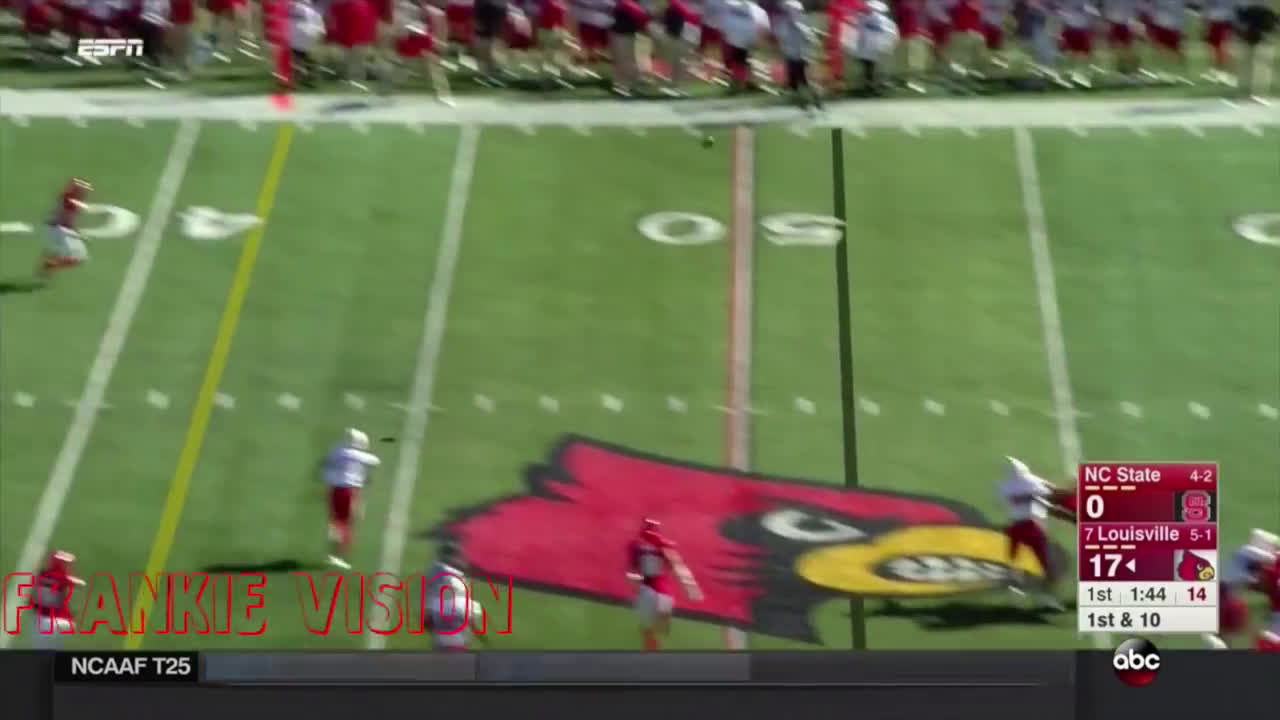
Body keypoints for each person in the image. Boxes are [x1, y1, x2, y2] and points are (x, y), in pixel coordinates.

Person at [998, 457, 1063, 610]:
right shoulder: (1031, 482)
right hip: (1033, 528)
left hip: (1015, 528)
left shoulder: (1005, 487)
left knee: (1014, 563)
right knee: (1048, 566)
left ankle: (1015, 592)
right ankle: (1046, 597)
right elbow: (1053, 492)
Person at [628, 518, 701, 651]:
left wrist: (635, 580)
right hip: (659, 592)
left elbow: (633, 571)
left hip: (650, 590)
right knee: (655, 628)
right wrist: (691, 587)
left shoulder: (637, 546)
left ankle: (654, 642)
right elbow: (679, 567)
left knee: (651, 629)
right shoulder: (662, 546)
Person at [322, 427, 381, 568]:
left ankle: (333, 551)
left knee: (337, 520)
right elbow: (376, 461)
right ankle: (338, 555)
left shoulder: (337, 450)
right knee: (348, 523)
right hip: (349, 492)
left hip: (334, 490)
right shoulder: (360, 455)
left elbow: (328, 462)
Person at [32, 550, 85, 649]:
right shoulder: (63, 577)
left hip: (42, 623)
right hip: (62, 623)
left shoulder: (42, 576)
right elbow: (80, 584)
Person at [772, 0, 819, 108]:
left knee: (804, 80)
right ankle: (804, 102)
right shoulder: (784, 22)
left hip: (800, 55)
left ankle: (813, 100)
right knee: (797, 80)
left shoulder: (800, 21)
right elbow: (780, 36)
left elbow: (810, 37)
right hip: (793, 55)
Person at [1237, 0, 1278, 101]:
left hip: (1260, 34)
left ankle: (1256, 93)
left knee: (1259, 66)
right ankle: (1252, 93)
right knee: (1254, 66)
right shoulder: (1251, 7)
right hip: (1254, 35)